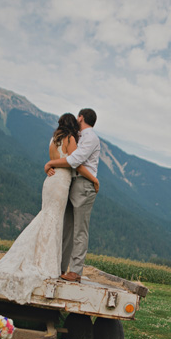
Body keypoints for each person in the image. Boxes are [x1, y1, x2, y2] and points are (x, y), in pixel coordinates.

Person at [0, 113, 98, 304]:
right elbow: (74, 163)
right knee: (54, 221)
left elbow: (54, 160)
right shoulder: (71, 139)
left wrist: (49, 165)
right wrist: (94, 179)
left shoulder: (53, 139)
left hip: (51, 181)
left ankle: (45, 260)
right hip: (62, 182)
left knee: (47, 217)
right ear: (74, 123)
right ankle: (48, 264)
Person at [44, 108, 100, 283]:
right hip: (71, 182)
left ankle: (75, 271)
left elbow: (75, 160)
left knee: (80, 229)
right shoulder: (77, 136)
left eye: (78, 116)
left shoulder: (90, 137)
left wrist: (51, 163)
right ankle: (60, 266)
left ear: (81, 117)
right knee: (67, 227)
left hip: (83, 183)